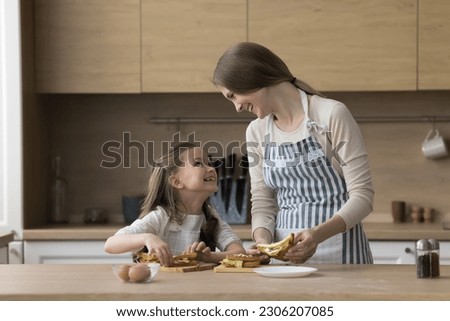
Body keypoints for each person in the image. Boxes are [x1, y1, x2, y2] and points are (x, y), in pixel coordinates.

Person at [212, 42, 374, 264]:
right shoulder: (257, 131)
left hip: (342, 256)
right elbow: (262, 200)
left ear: (250, 78)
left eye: (233, 95)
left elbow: (363, 196)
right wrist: (262, 240)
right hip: (283, 263)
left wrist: (316, 236)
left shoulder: (330, 115)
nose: (237, 107)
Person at [104, 142, 245, 266]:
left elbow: (238, 252)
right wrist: (148, 238)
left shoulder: (210, 216)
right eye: (198, 163)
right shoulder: (161, 217)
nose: (211, 168)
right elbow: (111, 244)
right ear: (176, 182)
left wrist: (208, 257)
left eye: (209, 163)